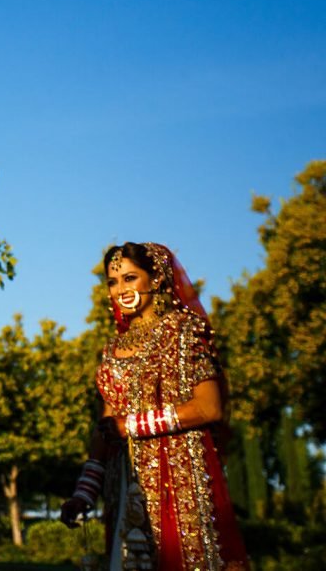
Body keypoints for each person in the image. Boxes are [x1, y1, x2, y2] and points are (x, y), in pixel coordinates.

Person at [59, 242, 248, 570]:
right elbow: (107, 424)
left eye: (130, 278)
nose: (120, 289)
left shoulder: (185, 331)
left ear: (157, 279)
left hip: (176, 479)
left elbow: (209, 407)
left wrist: (131, 426)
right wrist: (84, 492)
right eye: (113, 282)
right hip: (123, 483)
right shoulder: (112, 349)